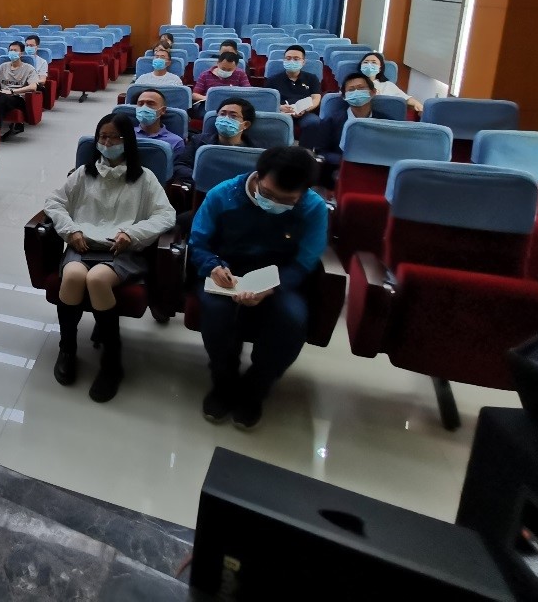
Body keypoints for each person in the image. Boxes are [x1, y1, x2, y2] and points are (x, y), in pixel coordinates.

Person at [190, 145, 328, 429]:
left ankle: (257, 387)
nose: (274, 202)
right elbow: (198, 242)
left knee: (292, 319)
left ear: (303, 193)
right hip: (227, 272)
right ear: (258, 175)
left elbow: (306, 260)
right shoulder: (223, 194)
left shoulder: (313, 207)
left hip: (280, 277)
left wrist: (272, 286)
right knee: (216, 310)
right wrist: (213, 265)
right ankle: (223, 381)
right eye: (268, 193)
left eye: (286, 200)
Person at [46, 112, 175, 403]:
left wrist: (132, 233)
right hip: (83, 244)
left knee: (97, 279)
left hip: (122, 249)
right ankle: (67, 348)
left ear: (127, 141)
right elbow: (54, 202)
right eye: (102, 137)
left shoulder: (144, 177)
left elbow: (166, 215)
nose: (107, 143)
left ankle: (112, 361)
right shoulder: (84, 173)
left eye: (114, 137)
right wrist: (70, 230)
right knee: (73, 275)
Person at [302, 71, 392, 186]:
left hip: (376, 170)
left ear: (373, 92)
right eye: (351, 90)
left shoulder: (386, 122)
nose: (356, 92)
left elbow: (390, 151)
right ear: (344, 96)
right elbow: (321, 151)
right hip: (340, 169)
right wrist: (347, 160)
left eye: (361, 88)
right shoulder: (331, 120)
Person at [175, 98, 256, 181]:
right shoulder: (198, 141)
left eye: (233, 116)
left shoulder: (254, 151)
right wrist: (201, 177)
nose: (226, 119)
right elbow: (180, 166)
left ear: (246, 124)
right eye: (222, 114)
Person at [0, 41, 39, 135]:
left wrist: (12, 91)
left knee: (0, 98)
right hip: (1, 96)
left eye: (15, 50)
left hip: (18, 98)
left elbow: (33, 87)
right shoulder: (3, 66)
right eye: (11, 50)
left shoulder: (29, 68)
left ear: (21, 53)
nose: (12, 52)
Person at [266, 44, 321, 130]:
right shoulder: (273, 80)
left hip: (305, 112)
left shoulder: (312, 78)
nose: (291, 61)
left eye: (296, 59)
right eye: (288, 58)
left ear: (303, 62)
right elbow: (268, 100)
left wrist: (305, 109)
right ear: (284, 61)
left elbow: (316, 98)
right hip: (281, 112)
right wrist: (280, 107)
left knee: (314, 122)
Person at [132, 88, 185, 157]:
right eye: (140, 104)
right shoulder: (125, 134)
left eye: (150, 104)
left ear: (163, 110)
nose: (144, 108)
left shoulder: (176, 142)